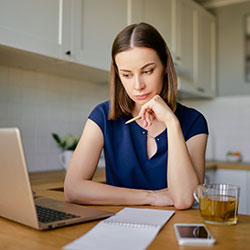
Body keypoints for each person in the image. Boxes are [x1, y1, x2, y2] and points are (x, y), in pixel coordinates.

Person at [64, 23, 208, 209]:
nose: (138, 85)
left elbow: (183, 199)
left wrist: (172, 123)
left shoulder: (194, 121)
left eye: (147, 71)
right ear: (118, 75)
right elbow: (73, 189)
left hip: (174, 232)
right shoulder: (102, 116)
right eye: (127, 75)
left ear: (165, 67)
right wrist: (150, 197)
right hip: (119, 227)